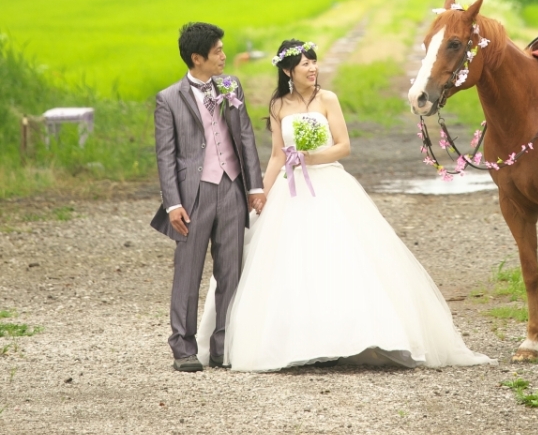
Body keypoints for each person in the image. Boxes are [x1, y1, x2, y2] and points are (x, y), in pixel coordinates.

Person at [196, 39, 489, 371]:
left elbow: (344, 146)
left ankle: (350, 336)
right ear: (288, 70)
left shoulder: (327, 99)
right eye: (305, 63)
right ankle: (296, 339)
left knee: (340, 255)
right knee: (288, 261)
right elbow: (278, 154)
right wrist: (260, 192)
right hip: (291, 188)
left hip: (328, 181)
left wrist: (313, 157)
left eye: (314, 62)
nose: (312, 68)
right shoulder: (279, 105)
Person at [151, 21, 266, 372]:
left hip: (231, 187)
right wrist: (173, 203)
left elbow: (245, 136)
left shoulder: (231, 86)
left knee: (231, 271)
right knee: (188, 271)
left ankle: (223, 345)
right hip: (192, 195)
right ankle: (183, 348)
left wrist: (255, 187)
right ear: (197, 57)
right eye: (217, 51)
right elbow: (166, 155)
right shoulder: (169, 99)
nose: (224, 56)